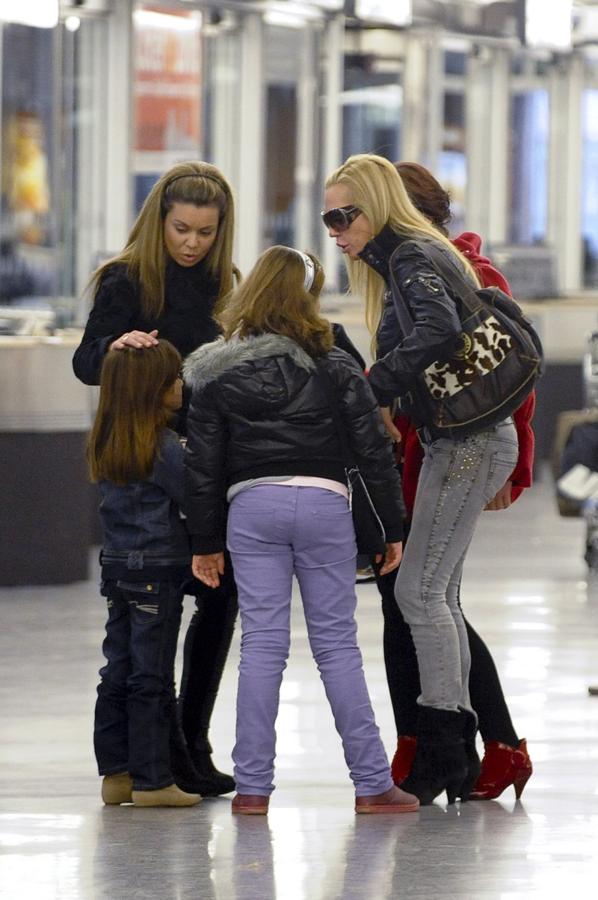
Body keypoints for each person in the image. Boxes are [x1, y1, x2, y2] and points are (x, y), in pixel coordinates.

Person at [183, 245, 419, 815]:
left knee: (262, 645)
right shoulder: (336, 364)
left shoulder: (215, 372)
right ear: (308, 297)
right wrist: (392, 527)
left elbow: (204, 465)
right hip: (324, 505)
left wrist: (205, 542)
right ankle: (370, 785)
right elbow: (373, 449)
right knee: (336, 646)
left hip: (251, 508)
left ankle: (253, 790)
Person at [323, 153, 522, 805]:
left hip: (467, 442)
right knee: (435, 596)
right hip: (455, 441)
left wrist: (372, 387)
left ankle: (444, 744)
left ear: (376, 208)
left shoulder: (410, 256)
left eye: (342, 215)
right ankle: (456, 748)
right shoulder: (406, 260)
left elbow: (438, 333)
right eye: (326, 216)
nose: (332, 228)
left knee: (420, 596)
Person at [73, 161, 238, 796]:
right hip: (151, 460)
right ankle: (156, 757)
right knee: (147, 632)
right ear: (158, 222)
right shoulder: (124, 280)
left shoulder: (226, 284)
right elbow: (86, 361)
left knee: (219, 601)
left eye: (204, 232)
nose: (191, 243)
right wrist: (117, 349)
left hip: (213, 455)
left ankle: (188, 740)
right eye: (180, 230)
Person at [380, 161, 533, 800]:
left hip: (459, 456)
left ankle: (484, 740)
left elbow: (513, 378)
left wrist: (516, 468)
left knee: (427, 598)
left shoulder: (465, 270)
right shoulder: (404, 273)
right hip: (420, 456)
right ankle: (433, 737)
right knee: (412, 600)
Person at [88, 340, 200, 807]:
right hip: (158, 568)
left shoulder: (109, 437)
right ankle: (154, 780)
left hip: (117, 567)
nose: (181, 385)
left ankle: (116, 775)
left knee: (118, 668)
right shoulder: (166, 446)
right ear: (154, 389)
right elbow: (194, 496)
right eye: (174, 378)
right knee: (152, 675)